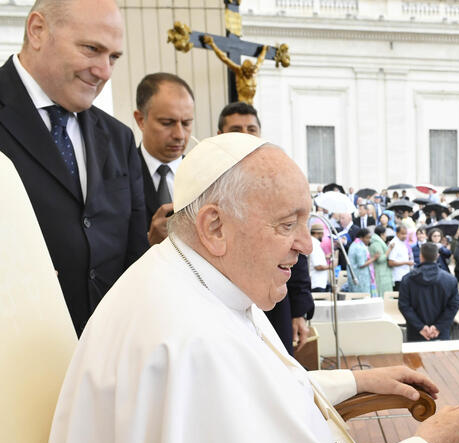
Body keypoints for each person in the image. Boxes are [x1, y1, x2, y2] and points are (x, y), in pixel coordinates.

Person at [42, 133, 459, 443]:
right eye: (286, 224)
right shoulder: (194, 337)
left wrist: (355, 379)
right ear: (214, 226)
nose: (307, 245)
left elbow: (253, 390)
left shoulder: (188, 275)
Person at [0, 0, 148, 336]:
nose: (105, 71)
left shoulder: (119, 137)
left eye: (113, 57)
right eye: (91, 49)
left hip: (106, 352)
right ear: (38, 30)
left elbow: (134, 257)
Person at [216, 111, 314, 353]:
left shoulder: (275, 177)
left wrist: (299, 310)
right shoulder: (206, 182)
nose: (246, 136)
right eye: (236, 129)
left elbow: (296, 246)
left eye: (251, 129)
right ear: (220, 135)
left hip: (273, 306)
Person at [133, 72, 194, 245]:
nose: (179, 135)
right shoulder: (120, 175)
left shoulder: (206, 176)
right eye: (167, 123)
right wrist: (148, 244)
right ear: (140, 120)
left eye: (187, 123)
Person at [398, 243, 459, 342]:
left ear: (420, 256)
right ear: (437, 256)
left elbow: (404, 306)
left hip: (416, 332)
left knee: (415, 357)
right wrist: (438, 327)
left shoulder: (408, 279)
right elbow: (454, 306)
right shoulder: (450, 280)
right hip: (441, 332)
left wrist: (421, 327)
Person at [201, 36, 267, 105]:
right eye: (249, 72)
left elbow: (260, 61)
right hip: (242, 103)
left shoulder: (254, 71)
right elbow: (224, 59)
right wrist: (212, 44)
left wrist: (264, 50)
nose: (251, 74)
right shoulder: (239, 72)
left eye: (252, 72)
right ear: (244, 70)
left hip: (251, 104)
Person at [347, 229, 376, 294]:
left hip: (357, 277)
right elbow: (361, 264)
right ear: (361, 237)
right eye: (367, 238)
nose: (369, 240)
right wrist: (374, 258)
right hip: (360, 278)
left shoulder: (355, 244)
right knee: (362, 298)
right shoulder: (359, 247)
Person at [369, 225, 393, 296]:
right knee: (382, 295)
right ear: (382, 234)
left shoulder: (379, 242)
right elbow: (380, 259)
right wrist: (389, 249)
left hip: (383, 272)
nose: (386, 236)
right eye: (385, 234)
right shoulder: (376, 243)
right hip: (380, 273)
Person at [388, 225, 413, 292]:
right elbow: (391, 262)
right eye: (402, 234)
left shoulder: (402, 242)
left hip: (404, 276)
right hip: (398, 277)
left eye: (406, 234)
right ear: (397, 233)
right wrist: (407, 262)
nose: (404, 236)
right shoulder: (394, 243)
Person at [309, 220, 331, 292]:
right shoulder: (314, 245)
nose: (323, 236)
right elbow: (318, 266)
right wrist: (332, 266)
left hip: (318, 282)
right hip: (317, 283)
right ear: (317, 233)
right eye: (322, 234)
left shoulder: (314, 243)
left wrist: (326, 257)